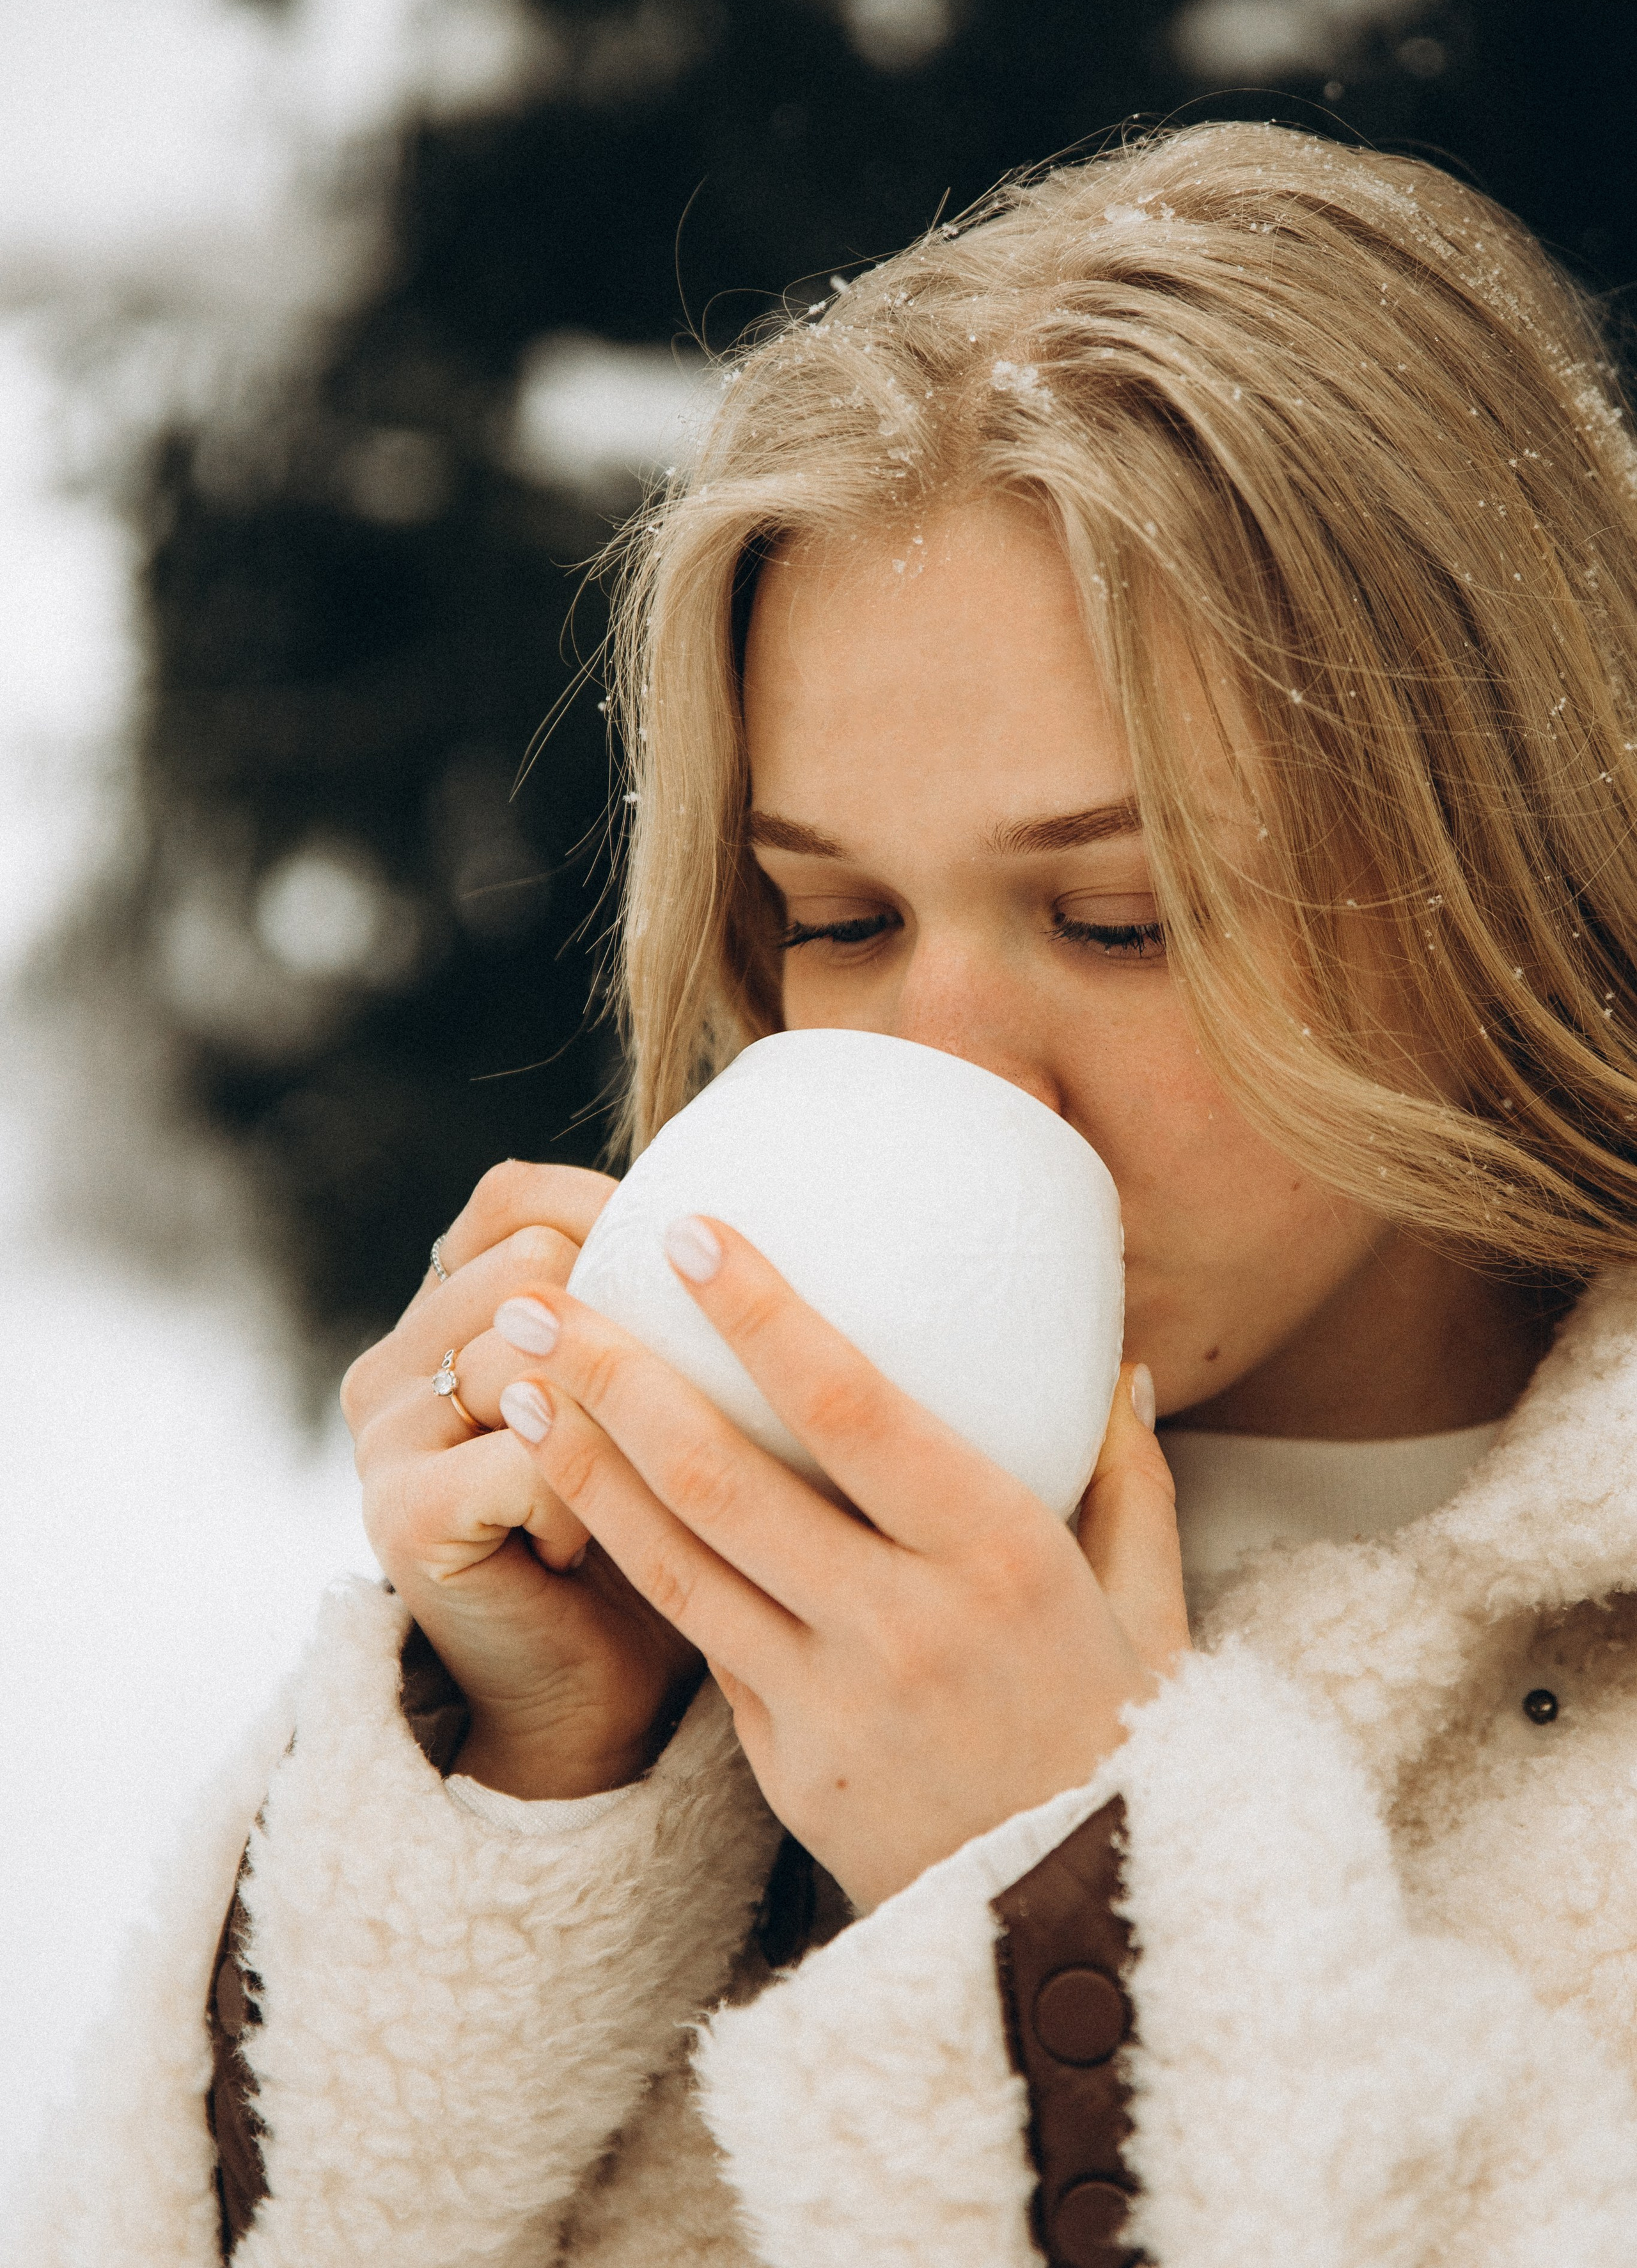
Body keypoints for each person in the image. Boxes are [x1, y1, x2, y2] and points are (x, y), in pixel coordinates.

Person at [16, 120, 1637, 2268]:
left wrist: (1059, 1915)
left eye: (1122, 917)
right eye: (839, 916)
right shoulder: (683, 1645)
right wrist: (533, 1771)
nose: (925, 1063)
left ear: (1501, 872)